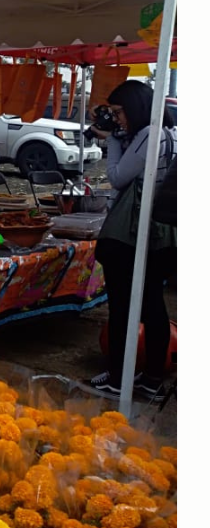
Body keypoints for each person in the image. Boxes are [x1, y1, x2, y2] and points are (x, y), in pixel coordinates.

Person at [87, 80, 177, 402]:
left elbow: (117, 177)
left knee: (123, 306)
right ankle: (151, 378)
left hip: (132, 233)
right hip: (163, 233)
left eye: (119, 112)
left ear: (137, 109)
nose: (118, 119)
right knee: (153, 304)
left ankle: (118, 378)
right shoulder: (171, 133)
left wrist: (112, 141)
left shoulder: (147, 136)